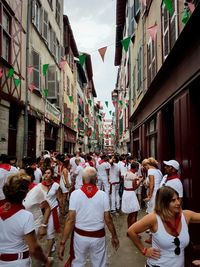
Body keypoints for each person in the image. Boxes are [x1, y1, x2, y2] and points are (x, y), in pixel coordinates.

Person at [58, 166, 119, 267]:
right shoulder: (103, 195)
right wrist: (114, 236)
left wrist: (62, 243)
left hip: (80, 237)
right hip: (98, 237)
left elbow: (70, 220)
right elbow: (108, 219)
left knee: (78, 264)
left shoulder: (75, 194)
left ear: (82, 179)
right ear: (96, 179)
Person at [127, 186, 200, 267]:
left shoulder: (186, 215)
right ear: (163, 203)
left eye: (177, 198)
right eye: (173, 200)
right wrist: (144, 250)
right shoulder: (154, 218)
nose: (178, 203)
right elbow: (131, 231)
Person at [0, 173, 52, 266]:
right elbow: (34, 248)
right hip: (18, 262)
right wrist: (45, 260)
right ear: (24, 195)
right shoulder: (26, 216)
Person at [121, 162, 143, 228]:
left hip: (125, 192)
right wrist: (140, 181)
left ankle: (129, 229)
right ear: (136, 168)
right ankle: (133, 231)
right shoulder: (133, 176)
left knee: (130, 214)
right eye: (138, 168)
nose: (138, 169)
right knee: (134, 213)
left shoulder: (126, 173)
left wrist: (137, 178)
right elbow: (135, 187)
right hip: (131, 194)